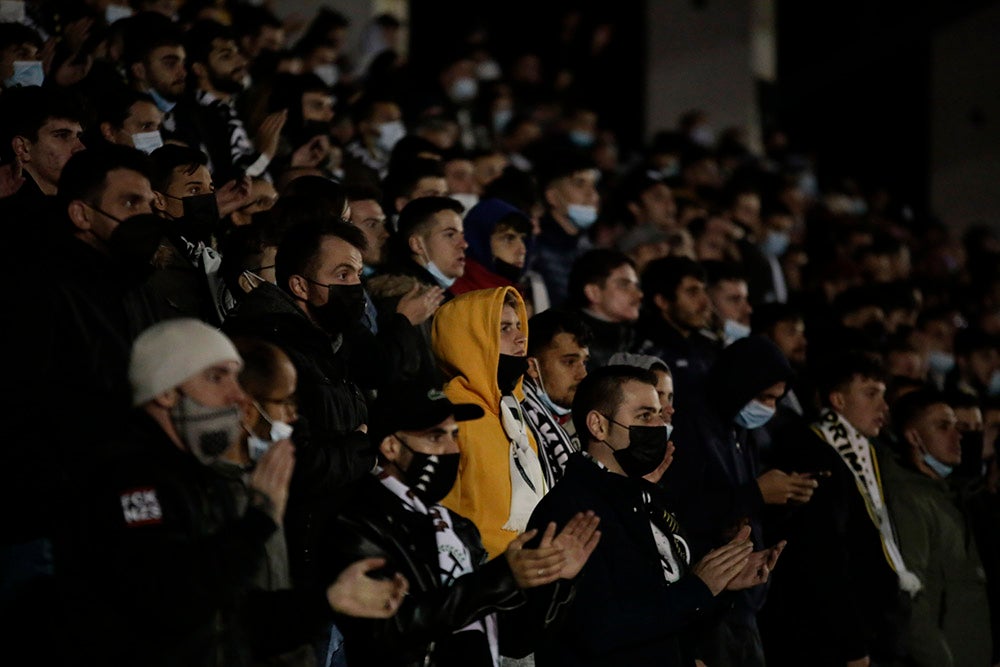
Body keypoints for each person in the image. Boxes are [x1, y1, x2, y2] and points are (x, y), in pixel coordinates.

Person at [45, 319, 406, 665]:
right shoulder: (125, 479)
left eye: (236, 378)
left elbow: (232, 620)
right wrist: (258, 520)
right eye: (217, 377)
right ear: (167, 390)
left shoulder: (199, 479)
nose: (237, 396)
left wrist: (329, 599)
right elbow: (174, 602)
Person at [326, 379, 601, 667]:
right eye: (435, 437)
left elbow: (513, 640)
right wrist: (500, 578)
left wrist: (555, 581)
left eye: (454, 436)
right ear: (391, 446)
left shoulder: (456, 527)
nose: (451, 449)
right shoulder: (356, 524)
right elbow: (389, 631)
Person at [527, 365, 785, 667]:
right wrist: (698, 589)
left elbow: (669, 613)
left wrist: (720, 584)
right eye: (644, 416)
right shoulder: (569, 510)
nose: (659, 425)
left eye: (659, 414)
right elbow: (597, 628)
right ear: (598, 426)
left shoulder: (650, 499)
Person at [222, 217, 378, 592]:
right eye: (342, 274)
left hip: (339, 547)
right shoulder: (270, 352)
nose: (355, 286)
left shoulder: (333, 344)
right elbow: (294, 462)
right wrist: (362, 448)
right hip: (299, 558)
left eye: (357, 273)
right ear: (299, 285)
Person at [661, 335, 815, 667]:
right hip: (706, 607)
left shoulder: (740, 432)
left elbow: (744, 510)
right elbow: (682, 512)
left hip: (743, 606)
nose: (769, 409)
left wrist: (784, 498)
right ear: (738, 384)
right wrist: (757, 493)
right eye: (763, 397)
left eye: (776, 400)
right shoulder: (691, 427)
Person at [761, 352, 917, 667]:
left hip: (871, 630)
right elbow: (823, 557)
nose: (884, 407)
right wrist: (853, 645)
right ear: (838, 400)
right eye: (871, 394)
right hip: (827, 641)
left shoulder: (868, 451)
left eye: (884, 396)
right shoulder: (813, 454)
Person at [432, 287, 547, 558]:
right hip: (483, 584)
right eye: (504, 328)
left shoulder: (511, 413)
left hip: (528, 576)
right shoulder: (449, 416)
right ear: (471, 340)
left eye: (519, 326)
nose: (521, 338)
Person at [886, 388, 991, 667]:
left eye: (957, 426)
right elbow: (912, 595)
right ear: (913, 437)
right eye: (944, 426)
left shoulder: (945, 493)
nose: (958, 436)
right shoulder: (908, 500)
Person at [179, 20, 286, 183]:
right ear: (199, 69)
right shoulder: (195, 117)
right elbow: (227, 183)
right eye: (226, 56)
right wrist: (264, 153)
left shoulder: (230, 108)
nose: (241, 62)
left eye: (237, 54)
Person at [635, 256, 719, 414]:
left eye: (704, 291)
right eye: (692, 292)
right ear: (662, 301)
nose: (705, 302)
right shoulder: (647, 355)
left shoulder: (709, 346)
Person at [523, 309, 592, 487]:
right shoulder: (516, 425)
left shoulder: (591, 423)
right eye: (569, 362)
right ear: (532, 366)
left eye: (584, 362)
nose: (583, 374)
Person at [530, 149, 600, 306]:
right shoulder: (534, 248)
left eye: (594, 186)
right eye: (580, 184)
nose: (592, 195)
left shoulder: (588, 247)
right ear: (552, 196)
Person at [566, 248, 642, 368]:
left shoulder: (637, 340)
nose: (638, 294)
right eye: (624, 285)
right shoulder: (568, 344)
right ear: (593, 292)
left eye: (636, 286)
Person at [450, 197, 532, 296]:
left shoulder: (515, 294)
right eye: (509, 238)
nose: (522, 250)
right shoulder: (455, 298)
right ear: (480, 242)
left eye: (523, 239)